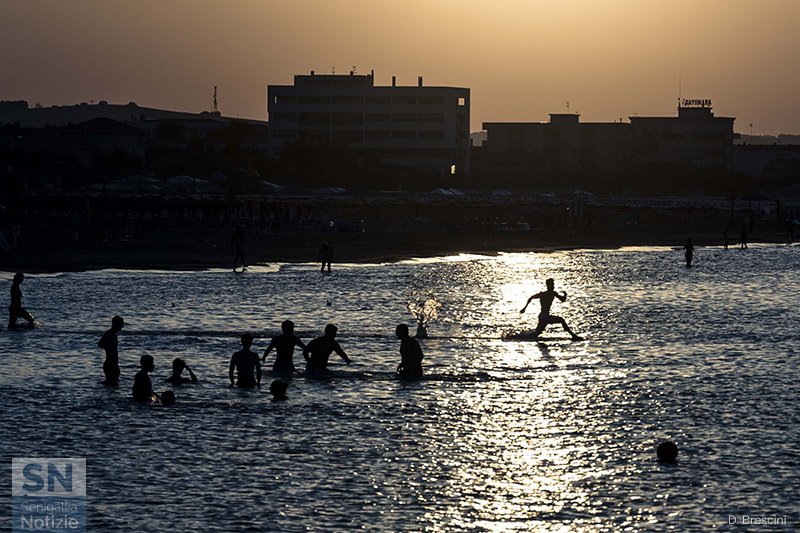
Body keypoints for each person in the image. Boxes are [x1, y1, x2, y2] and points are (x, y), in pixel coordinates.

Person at [98, 315, 125, 386]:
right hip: (110, 364)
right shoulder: (110, 334)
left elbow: (100, 344)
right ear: (116, 324)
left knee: (111, 384)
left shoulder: (111, 334)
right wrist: (108, 348)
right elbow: (100, 344)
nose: (122, 326)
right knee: (112, 384)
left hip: (112, 363)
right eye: (121, 324)